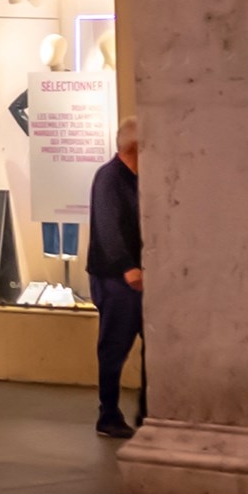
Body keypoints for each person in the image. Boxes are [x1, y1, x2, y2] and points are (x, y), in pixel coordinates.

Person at [87, 123, 143, 439]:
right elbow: (109, 229)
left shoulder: (138, 179)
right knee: (114, 346)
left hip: (138, 278)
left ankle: (148, 410)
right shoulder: (109, 178)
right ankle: (108, 413)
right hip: (116, 280)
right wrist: (128, 268)